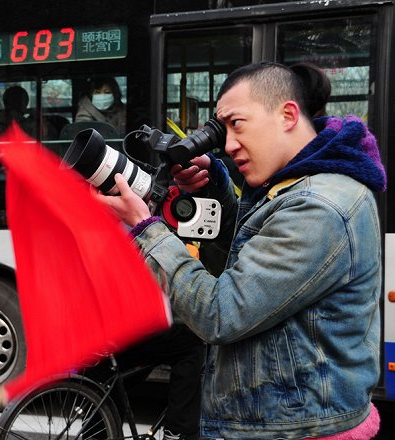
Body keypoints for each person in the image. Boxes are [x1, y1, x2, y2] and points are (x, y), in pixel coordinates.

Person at [98, 62, 385, 439]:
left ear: (287, 115)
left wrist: (146, 229)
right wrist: (213, 184)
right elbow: (245, 254)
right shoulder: (291, 185)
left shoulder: (319, 207)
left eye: (237, 124)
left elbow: (222, 313)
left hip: (295, 430)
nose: (229, 144)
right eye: (223, 129)